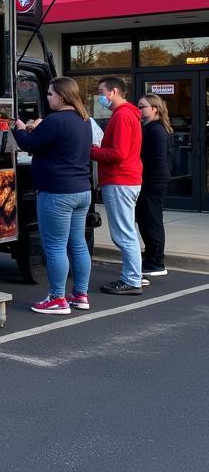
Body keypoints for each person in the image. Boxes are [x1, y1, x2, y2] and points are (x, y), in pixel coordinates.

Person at [11, 77, 93, 314]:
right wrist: (36, 128)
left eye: (49, 94)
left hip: (57, 192)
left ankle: (57, 298)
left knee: (55, 246)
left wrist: (18, 127)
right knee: (77, 244)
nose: (47, 98)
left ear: (62, 96)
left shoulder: (55, 120)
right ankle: (80, 294)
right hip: (81, 190)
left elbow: (29, 144)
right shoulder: (84, 120)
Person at [91, 76, 144, 295]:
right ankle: (134, 276)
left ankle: (131, 280)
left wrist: (92, 151)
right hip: (127, 179)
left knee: (123, 234)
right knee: (127, 232)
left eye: (101, 91)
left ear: (113, 92)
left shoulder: (122, 116)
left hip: (120, 180)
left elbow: (118, 153)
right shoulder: (129, 114)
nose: (99, 96)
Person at [136, 94, 172, 278]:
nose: (139, 109)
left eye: (143, 106)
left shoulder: (156, 130)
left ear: (154, 109)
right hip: (151, 180)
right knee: (147, 220)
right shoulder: (150, 128)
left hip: (153, 181)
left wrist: (144, 176)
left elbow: (158, 159)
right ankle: (152, 258)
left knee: (152, 221)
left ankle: (156, 262)